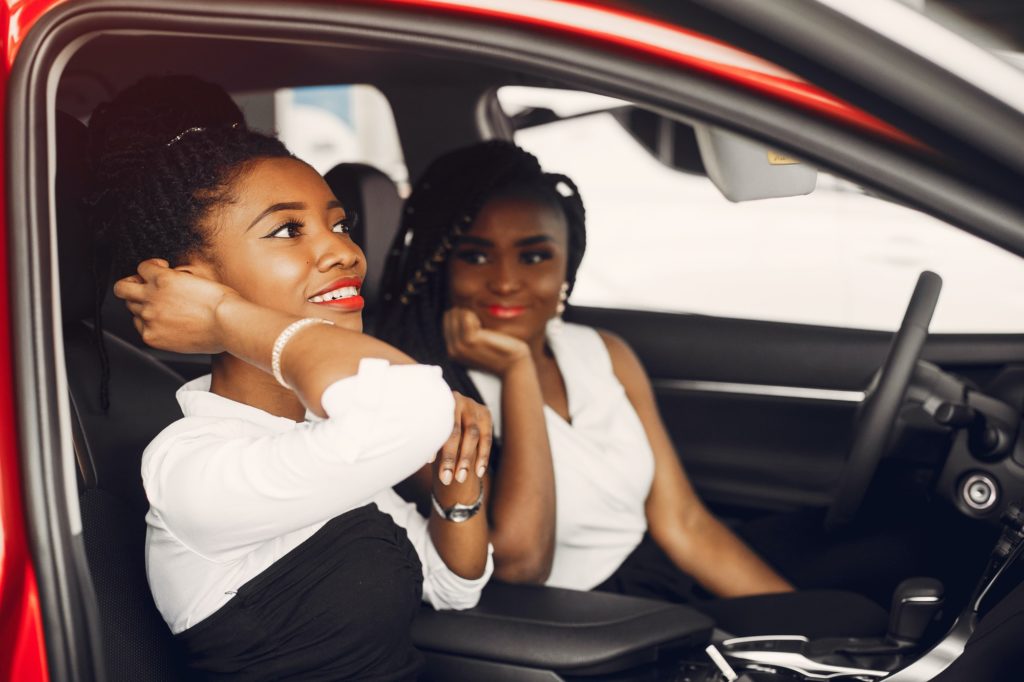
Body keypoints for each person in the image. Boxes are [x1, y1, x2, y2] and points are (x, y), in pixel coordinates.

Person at [377, 140, 889, 639]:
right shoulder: (423, 390)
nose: (507, 281)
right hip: (595, 621)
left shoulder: (601, 350)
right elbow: (521, 561)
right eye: (476, 257)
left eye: (534, 257)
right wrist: (518, 374)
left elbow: (682, 522)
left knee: (878, 573)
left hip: (661, 578)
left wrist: (798, 631)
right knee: (855, 614)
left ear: (566, 267)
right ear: (439, 263)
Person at [91, 76, 494, 680]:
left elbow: (450, 587)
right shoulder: (190, 469)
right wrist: (224, 318)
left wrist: (457, 490)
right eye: (288, 230)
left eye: (341, 224)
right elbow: (413, 407)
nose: (346, 253)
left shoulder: (322, 434)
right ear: (190, 280)